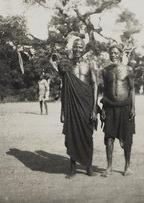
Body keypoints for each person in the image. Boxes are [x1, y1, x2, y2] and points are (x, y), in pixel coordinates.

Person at [56, 38, 98, 179]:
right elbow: (64, 89)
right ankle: (73, 168)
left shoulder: (89, 64)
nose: (78, 50)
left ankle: (88, 167)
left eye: (80, 47)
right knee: (72, 134)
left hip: (87, 104)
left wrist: (94, 109)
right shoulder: (67, 66)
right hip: (72, 106)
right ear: (72, 49)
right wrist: (63, 111)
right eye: (76, 47)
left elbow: (95, 85)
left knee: (88, 135)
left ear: (84, 48)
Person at [100, 44, 135, 177]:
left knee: (127, 138)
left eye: (115, 53)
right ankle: (109, 167)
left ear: (120, 54)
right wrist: (103, 108)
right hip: (110, 107)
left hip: (125, 107)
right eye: (111, 53)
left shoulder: (128, 70)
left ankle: (127, 166)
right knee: (109, 137)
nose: (113, 55)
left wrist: (133, 107)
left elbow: (132, 89)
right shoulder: (105, 71)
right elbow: (105, 91)